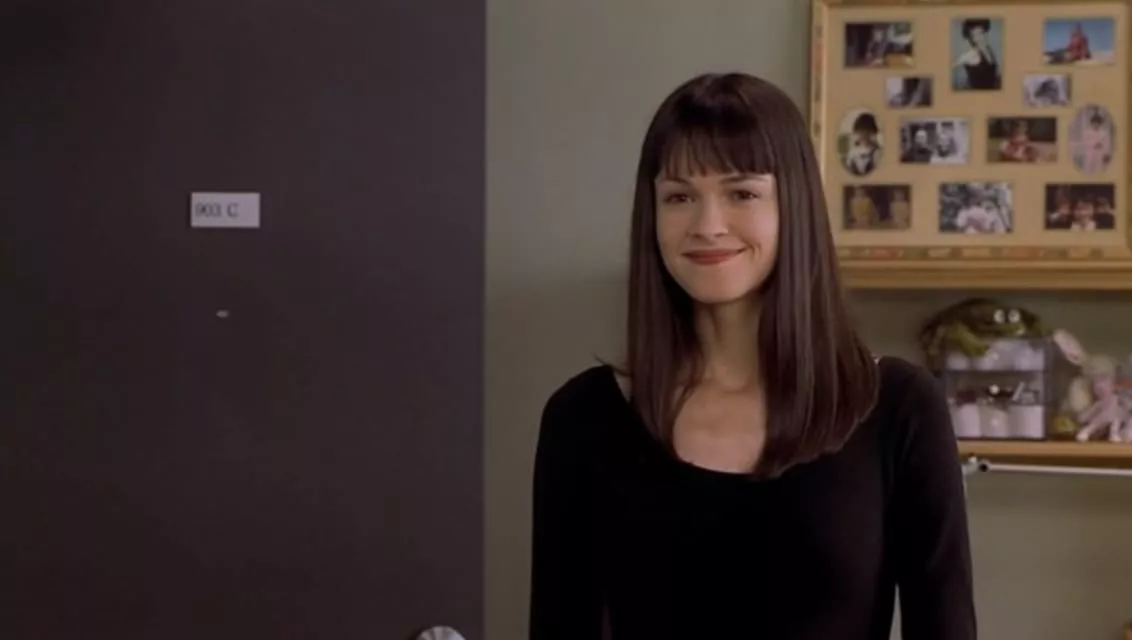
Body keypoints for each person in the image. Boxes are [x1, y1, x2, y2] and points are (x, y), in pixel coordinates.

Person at [529, 73, 976, 639]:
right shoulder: (583, 417)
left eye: (741, 193)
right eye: (679, 197)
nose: (707, 226)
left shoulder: (899, 408)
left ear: (795, 206)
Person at [954, 18, 1000, 90]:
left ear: (985, 32)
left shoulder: (989, 49)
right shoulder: (971, 54)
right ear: (972, 38)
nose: (980, 38)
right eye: (975, 35)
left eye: (981, 33)